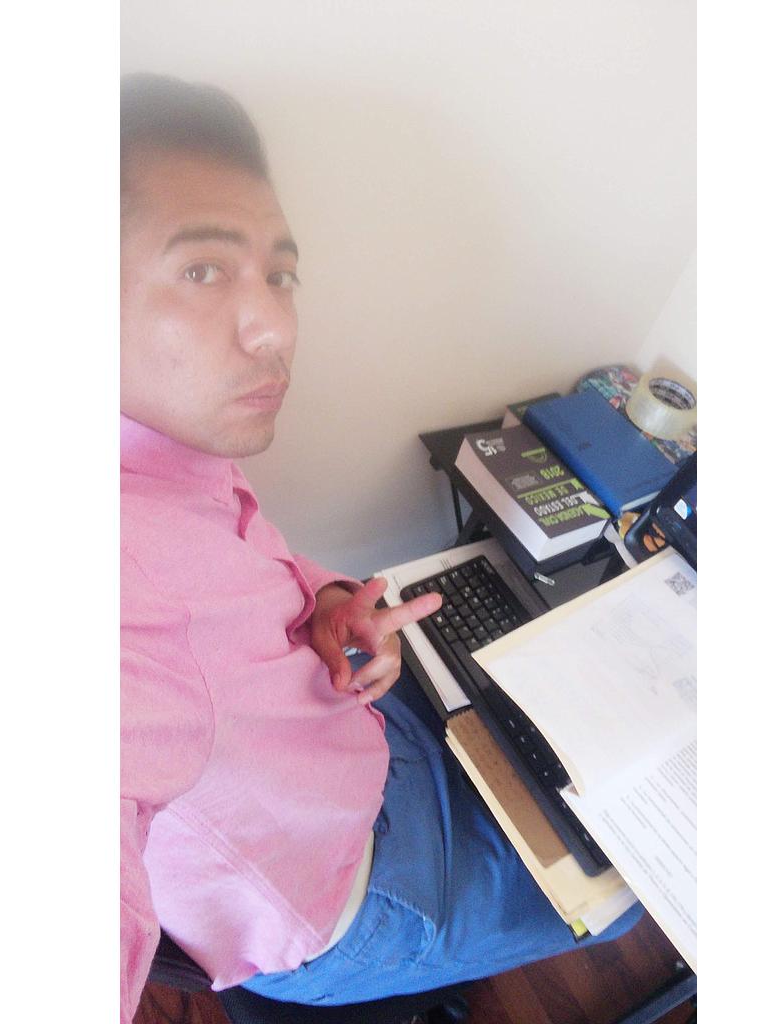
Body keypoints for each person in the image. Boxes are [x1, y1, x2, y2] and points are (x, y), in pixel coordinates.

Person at [120, 72, 641, 1023]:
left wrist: (323, 602)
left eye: (279, 275)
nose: (276, 329)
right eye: (202, 270)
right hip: (357, 894)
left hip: (362, 740)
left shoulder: (164, 443)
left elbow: (243, 567)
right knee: (630, 885)